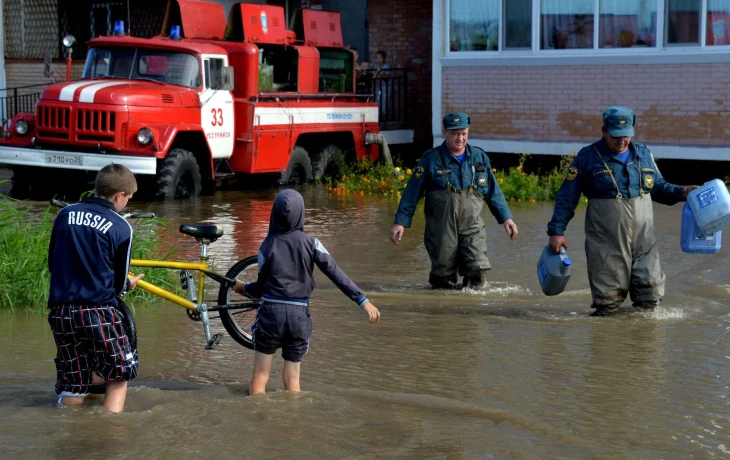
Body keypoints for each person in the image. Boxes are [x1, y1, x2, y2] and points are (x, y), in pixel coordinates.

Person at [546, 106, 699, 316]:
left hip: (644, 243)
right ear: (604, 131)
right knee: (607, 305)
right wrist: (557, 231)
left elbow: (659, 187)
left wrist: (683, 192)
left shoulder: (643, 154)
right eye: (615, 136)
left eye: (626, 136)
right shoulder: (587, 158)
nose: (621, 141)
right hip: (606, 245)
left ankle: (637, 348)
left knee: (650, 299)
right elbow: (566, 198)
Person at [234, 189, 380, 395]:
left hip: (271, 314)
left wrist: (242, 287)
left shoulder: (266, 246)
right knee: (292, 378)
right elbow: (336, 273)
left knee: (261, 375)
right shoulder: (312, 243)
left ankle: (259, 420)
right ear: (301, 213)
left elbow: (260, 288)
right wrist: (363, 301)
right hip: (299, 315)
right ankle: (294, 422)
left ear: (274, 214)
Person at [47, 163, 144, 412]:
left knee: (74, 379)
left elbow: (52, 261)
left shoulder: (65, 215)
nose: (126, 204)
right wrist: (128, 285)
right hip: (97, 310)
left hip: (61, 312)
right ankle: (110, 436)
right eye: (128, 199)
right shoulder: (122, 227)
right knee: (120, 373)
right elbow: (118, 282)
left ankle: (66, 427)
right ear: (119, 195)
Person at [390, 112, 519, 290]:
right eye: (455, 134)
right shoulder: (431, 159)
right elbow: (411, 193)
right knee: (443, 277)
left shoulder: (479, 157)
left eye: (464, 134)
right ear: (445, 133)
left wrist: (506, 218)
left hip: (472, 227)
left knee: (478, 270)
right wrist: (400, 222)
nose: (460, 138)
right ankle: (445, 311)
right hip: (441, 229)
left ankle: (469, 310)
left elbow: (493, 191)